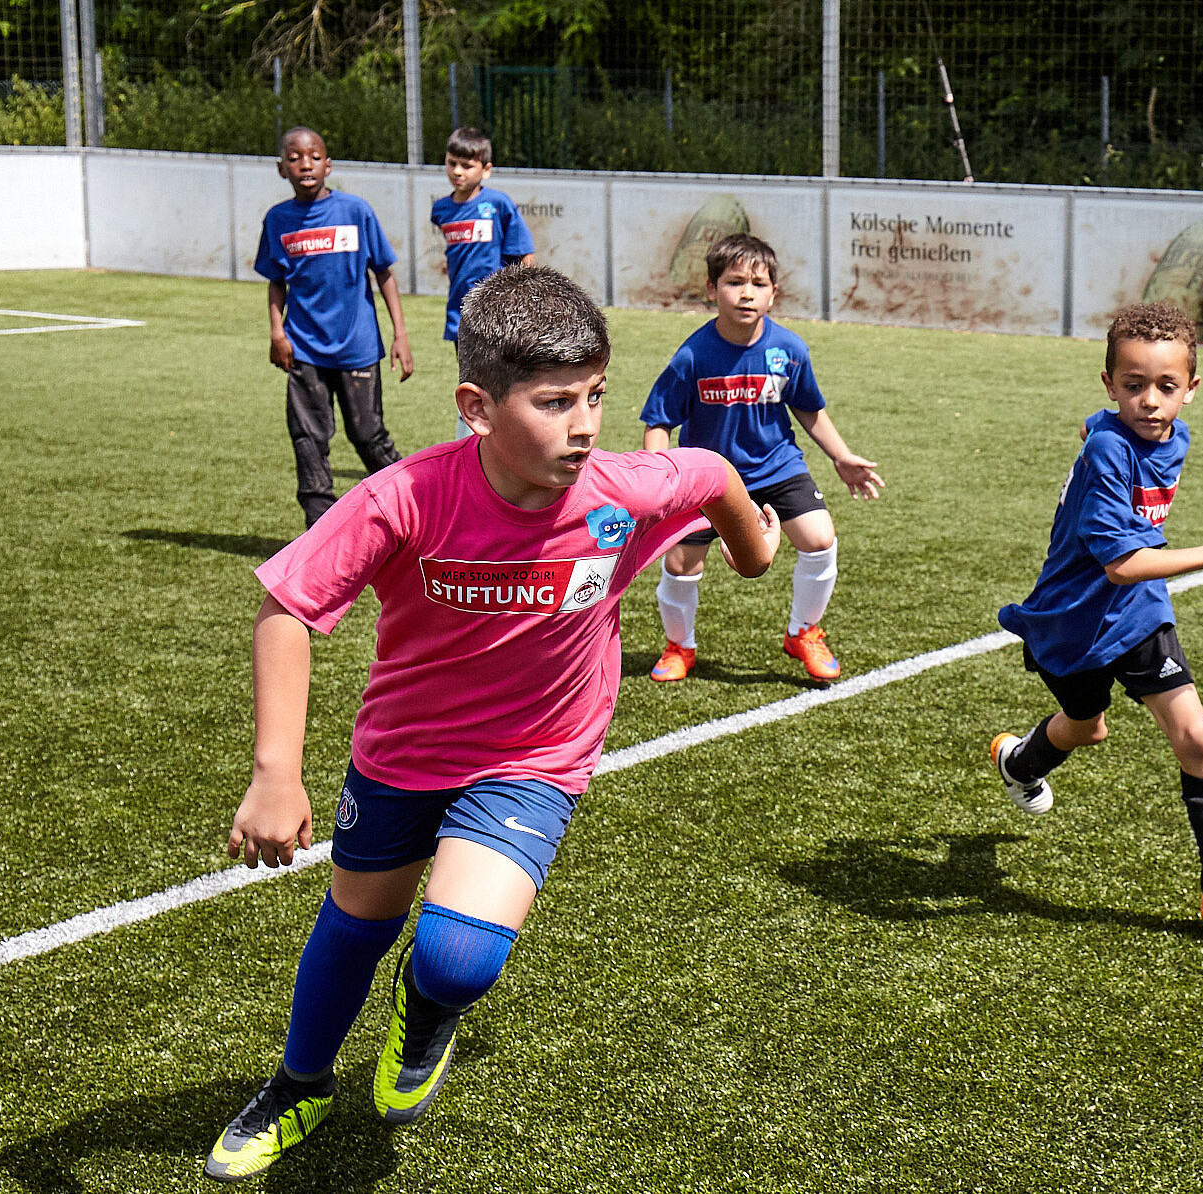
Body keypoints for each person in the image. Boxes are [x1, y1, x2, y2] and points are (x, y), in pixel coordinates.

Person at [204, 267, 778, 1183]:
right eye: (554, 402)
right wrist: (276, 771)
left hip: (536, 758)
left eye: (595, 395)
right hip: (403, 753)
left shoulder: (622, 491)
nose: (585, 425)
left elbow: (711, 474)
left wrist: (754, 550)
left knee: (459, 956)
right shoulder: (405, 497)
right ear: (476, 407)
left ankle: (427, 1003)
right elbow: (288, 608)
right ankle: (299, 1084)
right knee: (357, 921)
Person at [988, 302, 1203, 954]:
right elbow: (1120, 564)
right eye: (1133, 385)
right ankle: (1018, 761)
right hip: (1072, 619)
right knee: (1086, 728)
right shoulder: (1107, 450)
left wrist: (1099, 422)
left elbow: (1132, 570)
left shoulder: (1170, 435)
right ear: (1109, 383)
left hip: (1140, 611)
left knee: (1196, 738)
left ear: (1191, 389)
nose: (1150, 401)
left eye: (1165, 386)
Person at [641, 233, 884, 684]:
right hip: (710, 478)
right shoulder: (692, 356)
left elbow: (809, 409)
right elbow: (659, 421)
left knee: (819, 538)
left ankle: (803, 632)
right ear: (712, 289)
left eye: (758, 284)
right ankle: (679, 646)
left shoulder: (789, 350)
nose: (747, 293)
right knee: (680, 564)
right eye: (734, 282)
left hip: (777, 467)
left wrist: (842, 456)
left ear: (774, 292)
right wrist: (659, 481)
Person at [254, 126, 414, 528]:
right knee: (308, 439)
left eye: (314, 156)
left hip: (357, 346)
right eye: (294, 158)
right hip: (304, 348)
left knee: (368, 436)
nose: (305, 164)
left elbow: (384, 273)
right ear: (281, 168)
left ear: (328, 165)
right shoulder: (277, 220)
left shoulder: (356, 211)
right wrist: (277, 332)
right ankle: (319, 531)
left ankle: (414, 509)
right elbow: (276, 282)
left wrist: (400, 335)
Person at [431, 126, 535, 438]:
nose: (457, 171)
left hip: (498, 313)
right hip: (460, 315)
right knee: (471, 382)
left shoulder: (498, 205)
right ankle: (471, 445)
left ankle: (511, 439)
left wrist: (523, 304)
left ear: (486, 170)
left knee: (502, 381)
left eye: (467, 165)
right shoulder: (441, 209)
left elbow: (525, 257)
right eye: (452, 163)